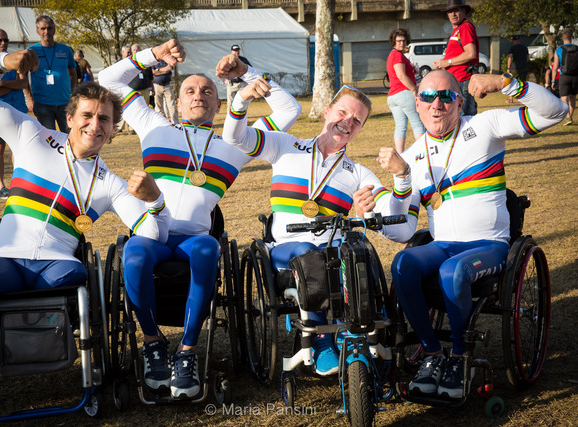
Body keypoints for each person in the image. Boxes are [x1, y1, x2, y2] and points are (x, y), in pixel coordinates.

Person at [98, 39, 301, 399]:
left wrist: (245, 73)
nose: (198, 95)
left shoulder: (235, 142)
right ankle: (153, 343)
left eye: (207, 90)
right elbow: (108, 79)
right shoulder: (153, 125)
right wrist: (154, 56)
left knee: (209, 248)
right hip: (152, 233)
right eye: (189, 90)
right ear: (177, 102)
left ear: (218, 102)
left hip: (195, 239)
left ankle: (187, 352)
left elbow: (290, 110)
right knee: (134, 254)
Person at [390, 69, 567, 399]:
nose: (437, 104)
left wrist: (506, 84)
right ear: (417, 102)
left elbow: (556, 112)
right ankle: (431, 354)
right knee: (403, 264)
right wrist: (390, 192)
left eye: (446, 96)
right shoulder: (413, 155)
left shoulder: (484, 126)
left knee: (452, 271)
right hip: (442, 244)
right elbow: (402, 231)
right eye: (428, 97)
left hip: (489, 245)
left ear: (459, 101)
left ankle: (459, 357)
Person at [221, 77, 412, 375]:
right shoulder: (285, 144)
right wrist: (241, 100)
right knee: (309, 250)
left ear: (360, 130)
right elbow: (237, 138)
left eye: (357, 120)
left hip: (332, 252)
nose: (348, 122)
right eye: (343, 113)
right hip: (287, 248)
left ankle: (356, 333)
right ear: (326, 110)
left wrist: (401, 180)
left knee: (356, 249)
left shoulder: (358, 173)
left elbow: (399, 229)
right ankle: (322, 340)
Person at [0, 49, 169, 298]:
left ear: (113, 129)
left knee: (73, 276)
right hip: (4, 256)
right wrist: (1, 63)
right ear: (69, 118)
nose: (94, 125)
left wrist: (155, 200)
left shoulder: (110, 184)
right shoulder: (31, 134)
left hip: (57, 265)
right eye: (86, 116)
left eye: (103, 119)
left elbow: (152, 234)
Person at [0, 28, 30, 199]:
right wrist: (11, 83)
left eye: (6, 40)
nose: (3, 43)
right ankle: (1, 186)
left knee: (19, 149)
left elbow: (23, 83)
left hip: (18, 110)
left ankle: (18, 184)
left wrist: (4, 84)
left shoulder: (16, 59)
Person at [27, 15, 77, 132]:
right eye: (43, 29)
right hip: (42, 104)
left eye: (49, 28)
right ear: (38, 31)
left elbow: (73, 73)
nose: (46, 32)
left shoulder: (65, 50)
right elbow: (22, 76)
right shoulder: (31, 51)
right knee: (49, 140)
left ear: (54, 30)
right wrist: (30, 100)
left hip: (64, 103)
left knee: (69, 136)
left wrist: (72, 94)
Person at [433, 0, 479, 116]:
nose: (452, 14)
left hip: (463, 79)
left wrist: (447, 62)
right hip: (457, 80)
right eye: (449, 12)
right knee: (459, 116)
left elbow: (470, 53)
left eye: (456, 11)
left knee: (463, 116)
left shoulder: (465, 27)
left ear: (463, 11)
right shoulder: (457, 29)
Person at [386, 28, 425, 152]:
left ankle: (400, 155)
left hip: (393, 96)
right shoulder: (397, 55)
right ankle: (424, 152)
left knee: (400, 127)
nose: (401, 43)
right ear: (393, 42)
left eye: (403, 40)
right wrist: (414, 89)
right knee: (418, 123)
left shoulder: (393, 55)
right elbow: (401, 75)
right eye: (398, 41)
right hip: (403, 93)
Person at [551, 29, 577, 126]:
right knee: (573, 98)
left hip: (564, 76)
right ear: (572, 38)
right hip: (576, 76)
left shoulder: (559, 50)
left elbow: (555, 68)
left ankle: (567, 118)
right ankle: (570, 116)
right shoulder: (577, 48)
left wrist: (553, 81)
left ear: (562, 38)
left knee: (564, 98)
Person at [151, 58, 179, 123]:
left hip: (167, 86)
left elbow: (169, 68)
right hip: (157, 86)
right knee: (159, 107)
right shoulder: (153, 62)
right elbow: (153, 72)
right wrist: (164, 70)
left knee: (172, 106)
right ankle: (162, 123)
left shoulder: (167, 60)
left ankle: (175, 123)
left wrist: (158, 70)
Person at [505, 35, 529, 103]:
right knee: (523, 83)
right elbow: (527, 57)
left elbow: (510, 58)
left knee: (512, 82)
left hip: (515, 67)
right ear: (519, 40)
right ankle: (522, 99)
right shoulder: (524, 47)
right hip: (524, 66)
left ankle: (510, 98)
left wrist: (508, 68)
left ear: (513, 41)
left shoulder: (513, 48)